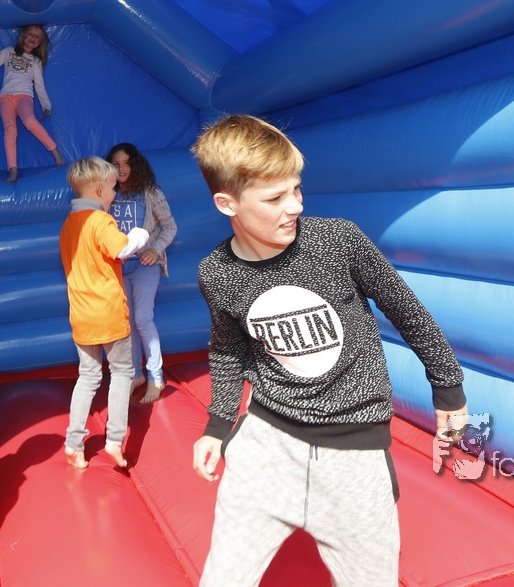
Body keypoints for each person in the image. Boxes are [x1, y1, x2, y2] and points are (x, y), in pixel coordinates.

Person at [188, 114, 469, 587]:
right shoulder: (217, 273)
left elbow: (407, 311)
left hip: (353, 451)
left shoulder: (338, 241)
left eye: (297, 189)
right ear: (227, 203)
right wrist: (217, 426)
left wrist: (448, 388)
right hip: (267, 444)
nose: (294, 206)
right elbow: (228, 350)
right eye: (275, 198)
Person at [59, 156, 149, 470]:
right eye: (112, 189)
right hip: (108, 314)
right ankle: (114, 439)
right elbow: (121, 248)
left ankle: (73, 443)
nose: (114, 194)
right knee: (122, 372)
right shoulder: (101, 221)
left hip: (82, 315)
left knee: (88, 377)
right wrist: (139, 235)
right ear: (99, 191)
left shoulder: (69, 225)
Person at [106, 142, 177, 405]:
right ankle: (136, 374)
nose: (121, 169)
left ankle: (156, 377)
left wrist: (155, 251)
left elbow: (170, 226)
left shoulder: (149, 192)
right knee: (127, 323)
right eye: (116, 164)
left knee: (143, 319)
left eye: (126, 163)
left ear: (135, 164)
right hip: (119, 267)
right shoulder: (108, 194)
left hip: (144, 266)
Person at [0, 25, 64, 182]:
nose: (33, 38)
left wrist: (46, 104)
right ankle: (13, 170)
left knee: (30, 121)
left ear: (40, 43)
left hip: (24, 96)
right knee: (9, 131)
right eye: (31, 34)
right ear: (23, 35)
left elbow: (39, 85)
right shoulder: (9, 51)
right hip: (5, 97)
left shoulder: (35, 61)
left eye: (38, 37)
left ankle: (56, 154)